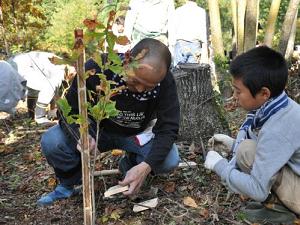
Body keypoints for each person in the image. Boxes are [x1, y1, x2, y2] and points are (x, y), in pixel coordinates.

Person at [37, 38, 181, 206]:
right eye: (136, 81)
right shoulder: (96, 69)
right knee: (53, 142)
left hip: (137, 134)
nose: (141, 90)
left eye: (149, 86)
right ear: (127, 60)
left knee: (168, 159)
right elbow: (68, 111)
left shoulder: (164, 81)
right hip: (96, 130)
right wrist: (81, 134)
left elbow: (168, 128)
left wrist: (146, 166)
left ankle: (131, 164)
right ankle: (71, 184)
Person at [204, 46, 300, 224]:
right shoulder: (280, 107)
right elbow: (268, 149)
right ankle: (280, 205)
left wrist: (220, 166)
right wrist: (233, 144)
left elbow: (257, 190)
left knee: (246, 151)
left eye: (239, 91)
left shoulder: (277, 129)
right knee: (245, 149)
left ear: (264, 93)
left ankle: (281, 212)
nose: (235, 96)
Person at [8, 51, 75, 124]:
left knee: (35, 89)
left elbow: (55, 91)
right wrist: (55, 111)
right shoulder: (60, 69)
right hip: (21, 66)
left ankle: (31, 116)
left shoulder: (59, 62)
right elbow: (52, 89)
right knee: (47, 87)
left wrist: (52, 110)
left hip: (13, 63)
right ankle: (40, 117)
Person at [169, 0, 208, 67]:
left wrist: (171, 46)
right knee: (192, 73)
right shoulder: (201, 11)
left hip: (180, 44)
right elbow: (204, 31)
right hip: (195, 45)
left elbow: (172, 29)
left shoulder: (178, 11)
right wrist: (205, 48)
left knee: (178, 73)